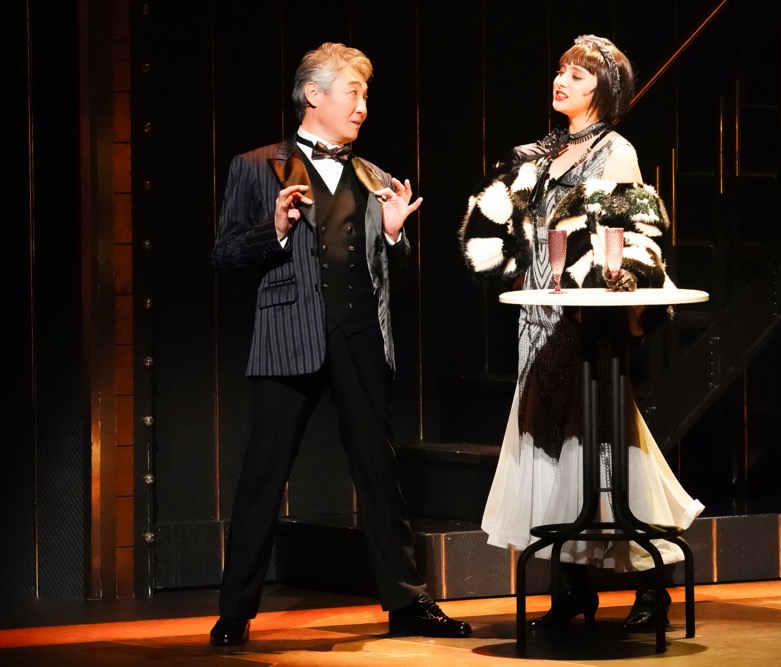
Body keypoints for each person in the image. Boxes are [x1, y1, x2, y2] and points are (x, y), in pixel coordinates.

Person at [209, 42, 471, 646]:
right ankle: (235, 611)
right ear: (314, 94)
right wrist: (275, 229)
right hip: (289, 335)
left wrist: (396, 236)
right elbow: (224, 255)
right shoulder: (258, 165)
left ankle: (408, 604)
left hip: (359, 335)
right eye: (353, 93)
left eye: (366, 95)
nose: (362, 107)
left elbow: (386, 271)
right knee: (263, 475)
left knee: (380, 473)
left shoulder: (374, 177)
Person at [459, 35, 704, 631]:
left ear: (603, 88)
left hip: (584, 319)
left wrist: (601, 281)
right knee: (549, 449)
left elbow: (631, 236)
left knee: (604, 448)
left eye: (576, 74)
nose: (561, 80)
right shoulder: (538, 154)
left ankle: (653, 587)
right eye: (561, 70)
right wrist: (513, 259)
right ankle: (570, 590)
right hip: (537, 315)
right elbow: (502, 230)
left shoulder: (615, 152)